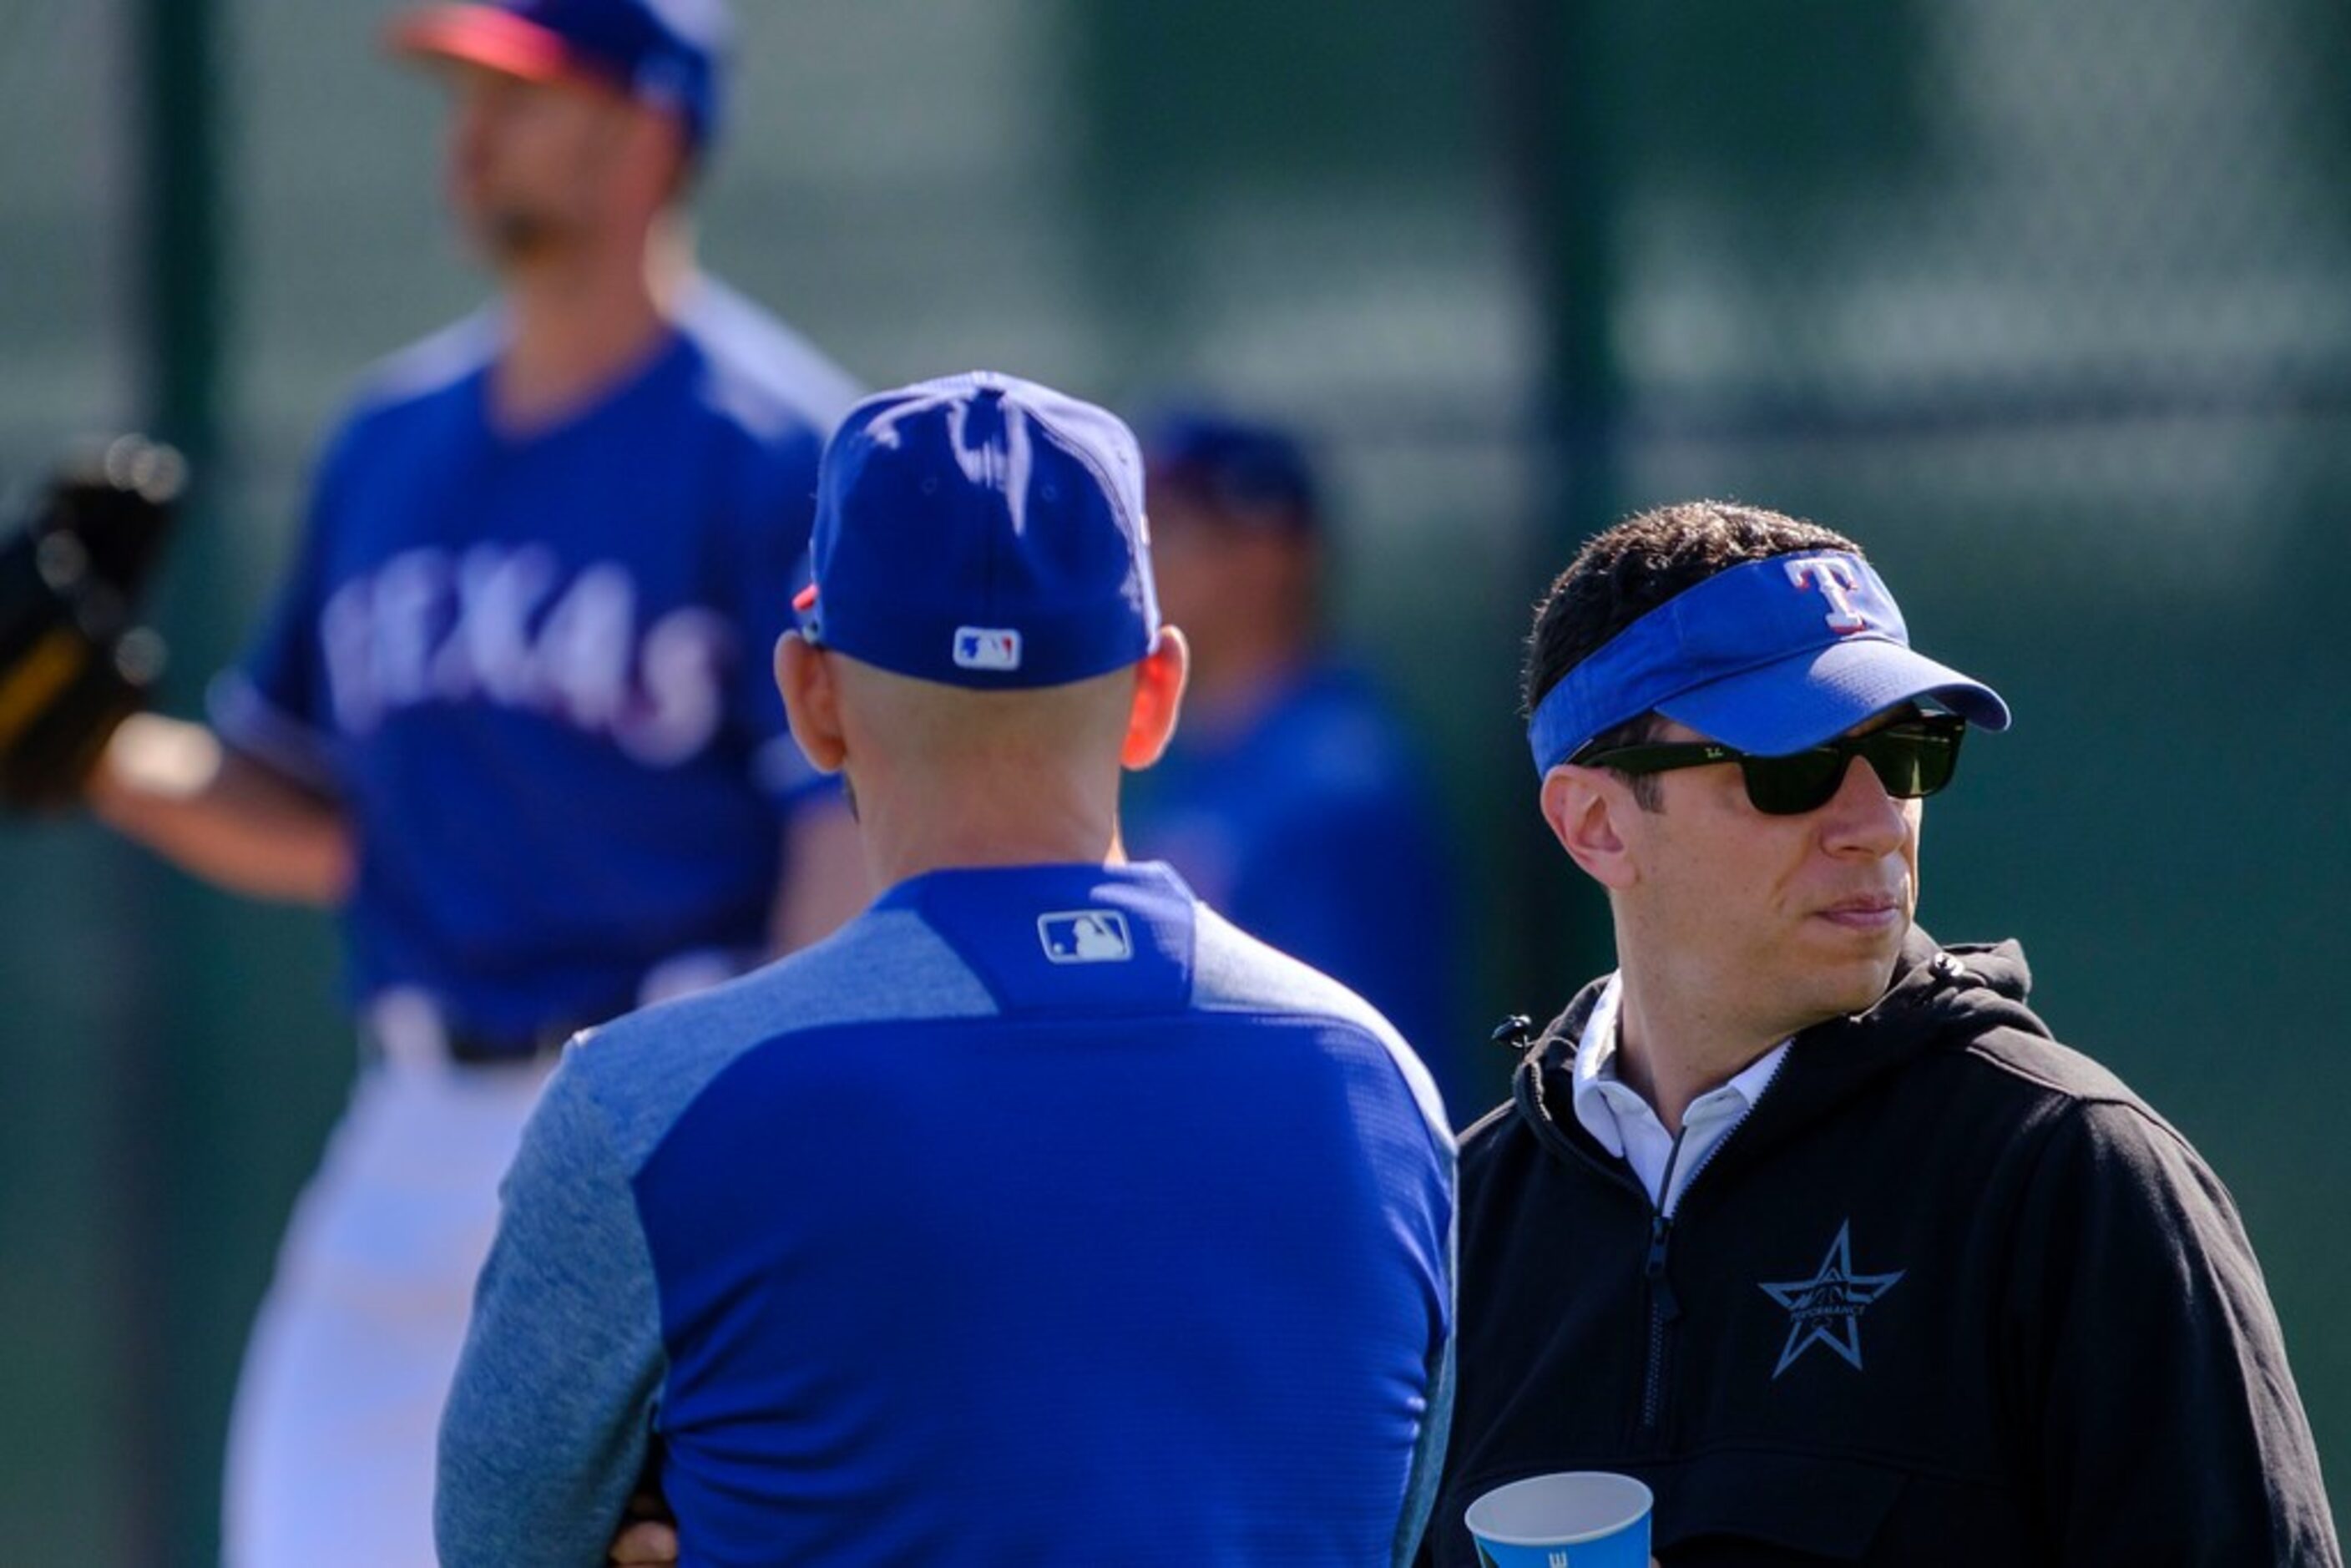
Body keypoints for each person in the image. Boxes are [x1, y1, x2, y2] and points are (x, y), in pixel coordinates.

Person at [434, 371, 1457, 1566]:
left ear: (811, 701)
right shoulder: (1381, 1088)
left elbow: (500, 1544)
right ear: (1154, 694)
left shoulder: (647, 1106)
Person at [86, 3, 867, 1563]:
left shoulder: (777, 447)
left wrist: (775, 1158)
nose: (471, 129)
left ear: (650, 129)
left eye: (523, 93)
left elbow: (836, 837)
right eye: (465, 90)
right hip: (409, 1121)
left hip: (665, 1106)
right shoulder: (389, 441)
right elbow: (313, 817)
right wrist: (89, 743)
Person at [1419, 501, 2342, 1565]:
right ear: (1593, 823)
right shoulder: (1451, 1229)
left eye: (1908, 751)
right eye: (1791, 766)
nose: (1873, 823)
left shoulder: (2069, 1176)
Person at [1121, 407, 1469, 1118]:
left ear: (1269, 553)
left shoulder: (1337, 782)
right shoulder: (1204, 760)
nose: (1143, 559)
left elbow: (1349, 1064)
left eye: (1172, 529)